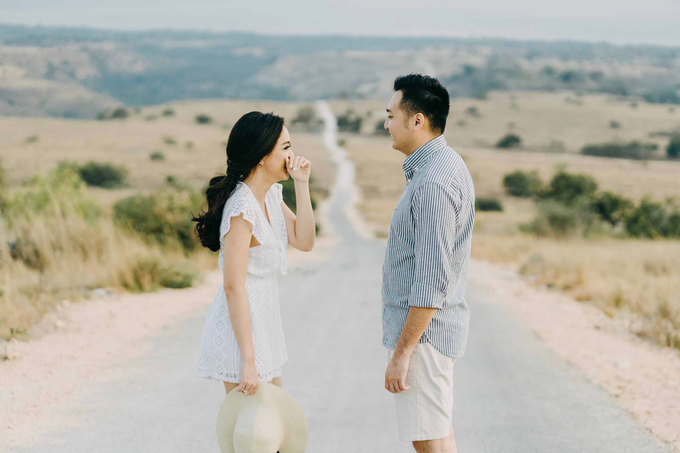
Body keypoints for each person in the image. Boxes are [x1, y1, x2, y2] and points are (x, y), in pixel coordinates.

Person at [382, 74, 475, 453]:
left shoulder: (433, 183)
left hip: (424, 339)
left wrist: (403, 354)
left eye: (391, 115)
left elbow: (430, 282)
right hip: (431, 336)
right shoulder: (441, 166)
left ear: (416, 120)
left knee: (430, 443)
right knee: (440, 437)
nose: (386, 123)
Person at [193, 111, 315, 398]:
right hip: (242, 336)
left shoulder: (271, 195)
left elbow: (305, 240)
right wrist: (248, 361)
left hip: (264, 326)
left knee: (277, 430)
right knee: (255, 436)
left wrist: (302, 184)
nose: (292, 155)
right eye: (285, 147)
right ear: (262, 156)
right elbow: (233, 286)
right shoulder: (241, 210)